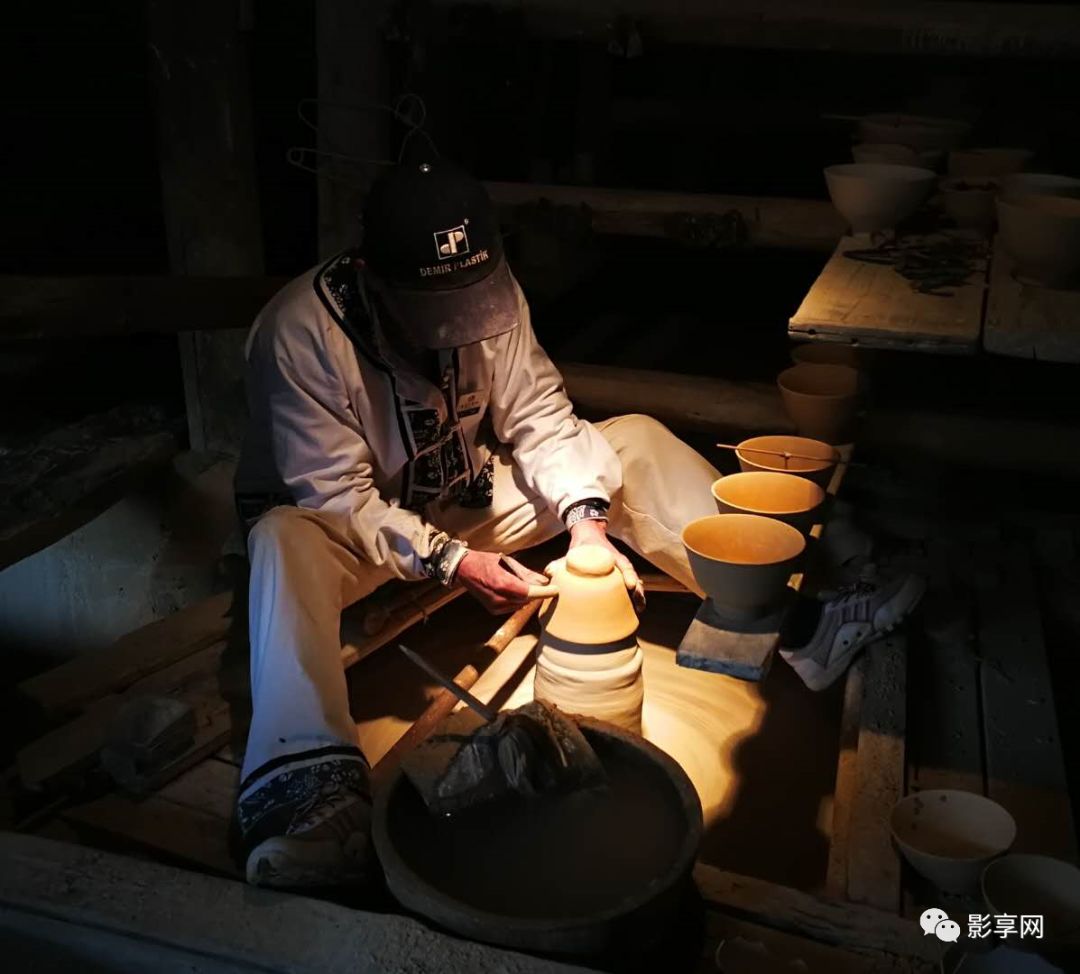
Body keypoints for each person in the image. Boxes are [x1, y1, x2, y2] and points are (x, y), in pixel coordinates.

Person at [233, 158, 924, 890]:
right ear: (372, 274)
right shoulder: (301, 332)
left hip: (456, 500)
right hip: (349, 530)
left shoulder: (486, 292)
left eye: (468, 305)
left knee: (631, 441)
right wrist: (454, 565)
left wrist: (587, 525)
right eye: (434, 313)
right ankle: (308, 793)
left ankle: (799, 619)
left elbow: (537, 416)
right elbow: (335, 494)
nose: (454, 330)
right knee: (283, 538)